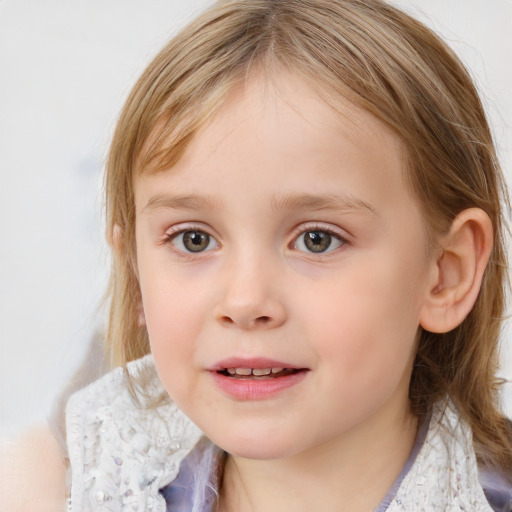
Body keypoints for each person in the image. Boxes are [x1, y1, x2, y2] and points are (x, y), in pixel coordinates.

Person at [8, 0, 512, 510]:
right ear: (136, 274)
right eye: (193, 239)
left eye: (318, 239)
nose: (246, 301)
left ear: (446, 274)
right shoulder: (65, 488)